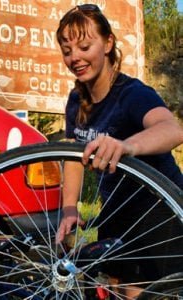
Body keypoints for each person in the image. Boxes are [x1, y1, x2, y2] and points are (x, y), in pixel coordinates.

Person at [55, 4, 183, 299]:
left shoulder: (131, 93)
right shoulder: (77, 100)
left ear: (108, 43)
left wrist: (127, 146)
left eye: (85, 46)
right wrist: (70, 208)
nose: (75, 57)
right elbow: (74, 157)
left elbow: (172, 129)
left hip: (159, 212)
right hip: (117, 210)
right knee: (121, 292)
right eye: (67, 50)